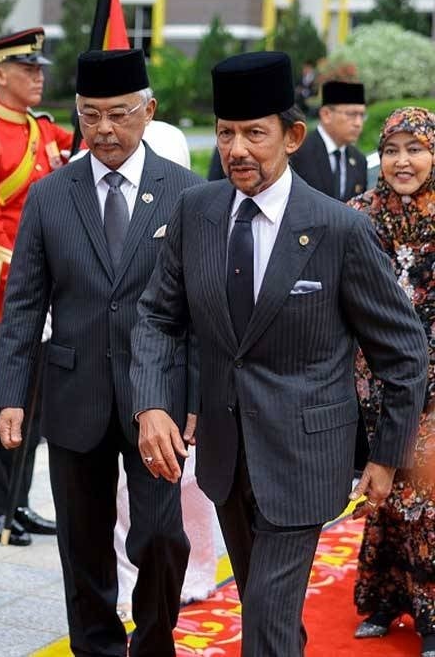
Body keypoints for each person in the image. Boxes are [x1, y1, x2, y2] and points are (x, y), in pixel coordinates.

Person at [131, 51, 429, 657]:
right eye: (225, 133)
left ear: (292, 136)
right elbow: (159, 316)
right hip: (225, 455)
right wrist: (152, 405)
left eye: (254, 133)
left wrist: (389, 454)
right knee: (269, 609)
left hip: (305, 457)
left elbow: (404, 349)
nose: (237, 149)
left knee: (265, 617)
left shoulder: (337, 228)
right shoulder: (196, 212)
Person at [0, 49, 200, 656]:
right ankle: (98, 648)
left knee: (161, 535)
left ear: (149, 111)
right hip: (73, 392)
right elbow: (25, 305)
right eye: (90, 116)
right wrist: (11, 395)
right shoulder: (50, 195)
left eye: (119, 114)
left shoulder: (187, 193)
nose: (105, 130)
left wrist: (193, 399)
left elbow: (198, 313)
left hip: (155, 400)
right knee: (81, 542)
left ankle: (155, 641)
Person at [0, 28, 67, 546]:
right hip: (2, 294)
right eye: (28, 69)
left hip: (45, 293)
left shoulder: (43, 131)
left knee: (37, 406)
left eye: (40, 69)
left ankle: (19, 499)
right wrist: (31, 288)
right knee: (1, 401)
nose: (39, 77)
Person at [348, 106, 435, 656]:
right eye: (394, 150)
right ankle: (383, 599)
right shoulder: (358, 215)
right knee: (383, 493)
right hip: (375, 382)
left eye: (417, 148)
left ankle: (430, 616)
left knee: (427, 496)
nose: (404, 161)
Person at [290, 80, 368, 202]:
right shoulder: (298, 152)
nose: (358, 123)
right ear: (326, 114)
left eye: (362, 115)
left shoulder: (359, 160)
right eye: (351, 114)